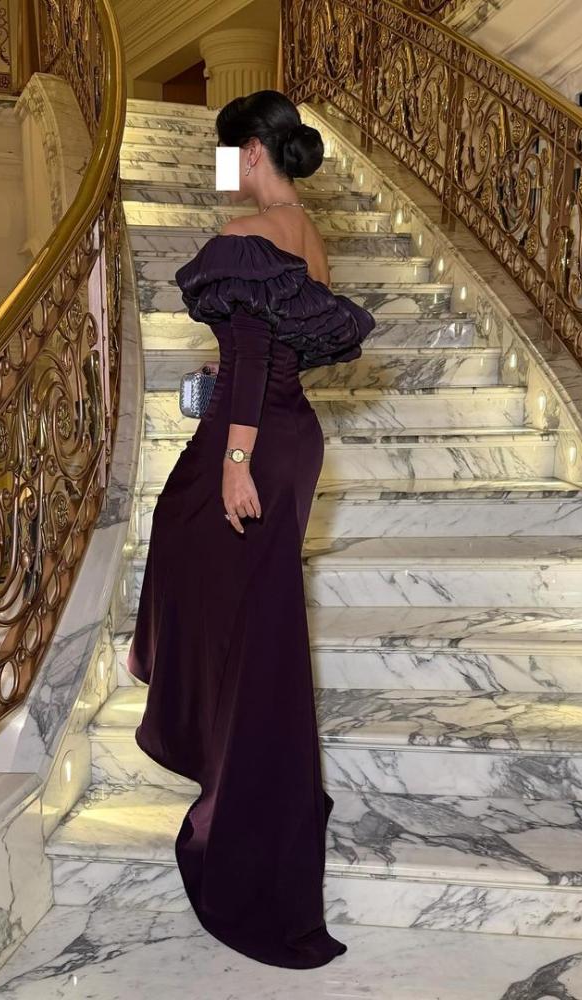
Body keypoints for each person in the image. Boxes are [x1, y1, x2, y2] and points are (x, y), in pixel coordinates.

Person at [126, 89, 376, 969]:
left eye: (226, 152)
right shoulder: (309, 236)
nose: (220, 168)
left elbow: (262, 350)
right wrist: (230, 367)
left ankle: (236, 803)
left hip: (256, 447)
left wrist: (234, 461)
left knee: (222, 601)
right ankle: (233, 765)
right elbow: (278, 346)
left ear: (253, 152)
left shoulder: (247, 236)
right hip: (293, 438)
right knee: (249, 627)